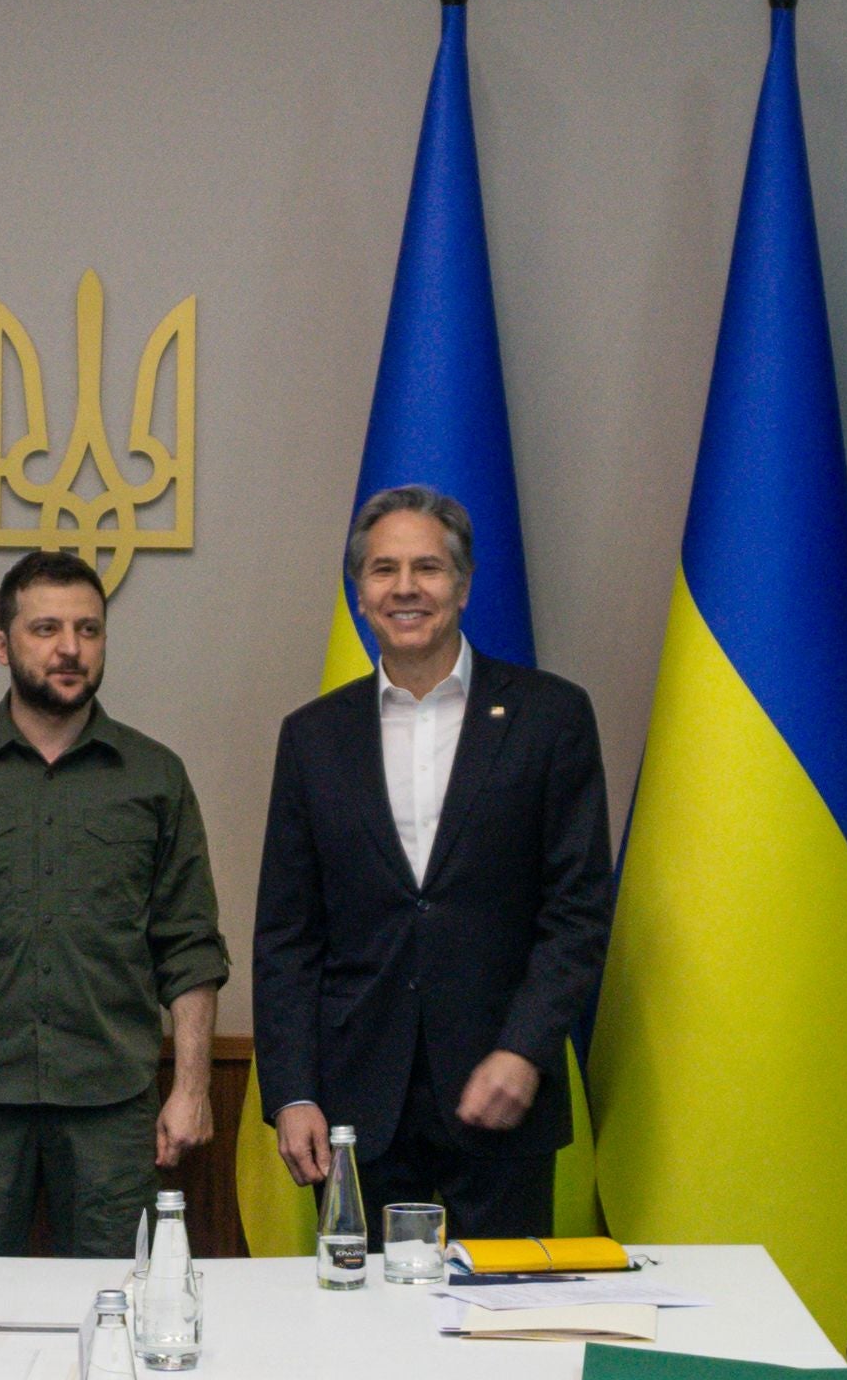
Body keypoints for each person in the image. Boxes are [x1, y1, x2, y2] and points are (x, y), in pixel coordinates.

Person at [253, 487, 612, 1239]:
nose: (406, 587)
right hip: (356, 1109)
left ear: (464, 584)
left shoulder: (551, 718)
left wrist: (525, 1048)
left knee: (503, 1337)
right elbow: (287, 934)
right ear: (360, 593)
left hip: (501, 1092)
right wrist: (291, 1093)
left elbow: (576, 909)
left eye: (428, 567)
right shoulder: (313, 737)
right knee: (364, 1342)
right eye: (384, 570)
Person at [0, 551, 230, 1257]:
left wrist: (193, 1085)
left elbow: (190, 948)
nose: (69, 648)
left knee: (123, 1311)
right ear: (3, 645)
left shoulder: (155, 777)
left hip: (114, 1106)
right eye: (46, 628)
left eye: (89, 630)